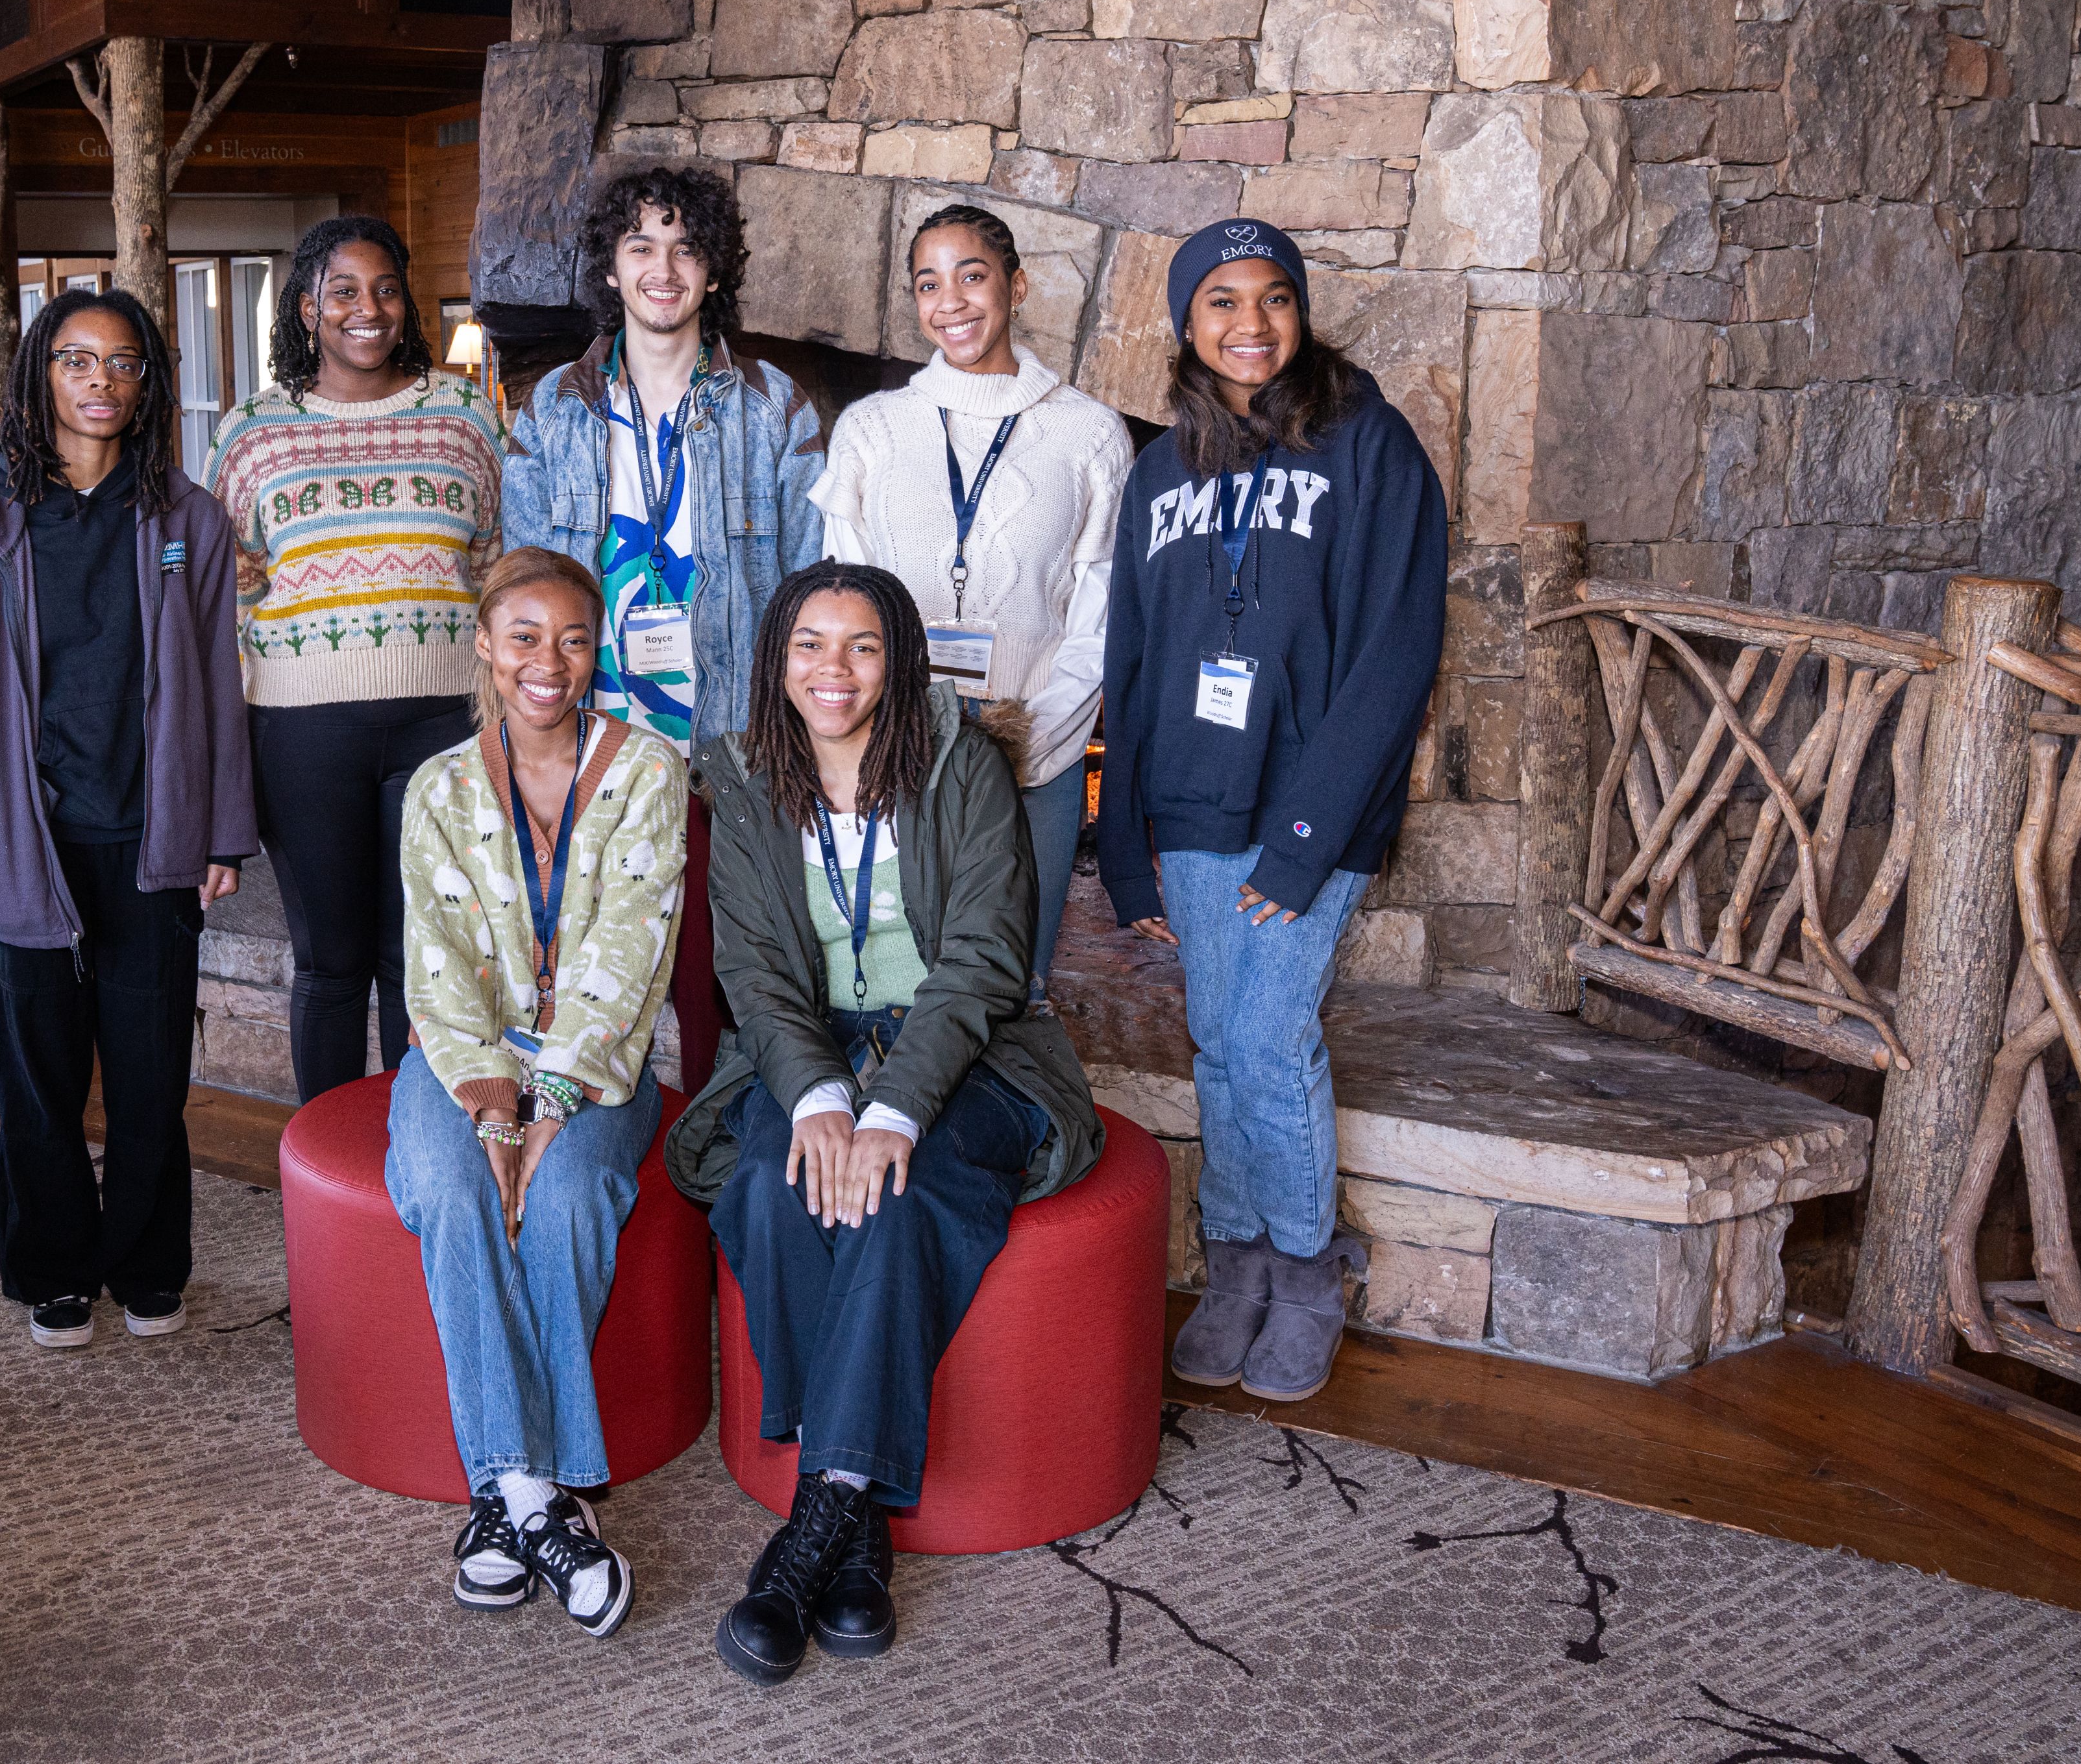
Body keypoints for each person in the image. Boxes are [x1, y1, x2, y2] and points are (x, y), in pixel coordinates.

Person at [665, 561, 1101, 1685]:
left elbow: (987, 960)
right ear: (778, 662)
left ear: (899, 660)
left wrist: (897, 1108)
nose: (835, 670)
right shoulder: (745, 778)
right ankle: (857, 1539)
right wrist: (819, 1100)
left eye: (862, 646)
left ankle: (817, 1516)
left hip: (969, 1048)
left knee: (899, 1196)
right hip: (808, 1045)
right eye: (809, 644)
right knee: (768, 1184)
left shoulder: (962, 766)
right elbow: (755, 973)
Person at [1096, 218, 1447, 1404]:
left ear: (1299, 310)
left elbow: (1396, 653)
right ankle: (1236, 1259)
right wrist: (1125, 850)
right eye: (1222, 302)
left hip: (1310, 805)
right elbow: (1132, 657)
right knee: (1216, 1038)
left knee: (1267, 1038)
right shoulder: (1160, 470)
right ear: (1187, 324)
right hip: (1192, 803)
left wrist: (1305, 842)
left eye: (1273, 298)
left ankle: (1306, 1270)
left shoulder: (1369, 445)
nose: (1251, 323)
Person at [0, 287, 255, 1349]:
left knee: (151, 1077)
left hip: (151, 838)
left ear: (148, 382)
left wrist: (222, 829)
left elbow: (217, 680)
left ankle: (148, 1263)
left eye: (123, 362)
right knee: (37, 1079)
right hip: (25, 846)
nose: (102, 381)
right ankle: (54, 1268)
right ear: (41, 376)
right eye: (77, 360)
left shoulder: (188, 519)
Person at [387, 545, 687, 1637]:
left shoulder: (649, 769)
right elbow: (435, 967)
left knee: (566, 1195)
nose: (548, 662)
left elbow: (629, 952)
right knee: (448, 1186)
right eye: (524, 637)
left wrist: (551, 1106)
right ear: (484, 644)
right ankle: (532, 1496)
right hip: (461, 1054)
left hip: (600, 1058)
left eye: (572, 639)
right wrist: (491, 1110)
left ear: (596, 651)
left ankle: (505, 1502)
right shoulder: (437, 787)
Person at [502, 165, 826, 1092]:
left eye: (686, 250)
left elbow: (812, 591)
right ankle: (617, 1162)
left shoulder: (775, 406)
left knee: (726, 983)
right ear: (611, 268)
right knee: (600, 978)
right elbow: (524, 594)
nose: (663, 269)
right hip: (594, 748)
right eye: (640, 246)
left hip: (736, 748)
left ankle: (717, 1157)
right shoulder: (555, 410)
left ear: (713, 271)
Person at [203, 214, 504, 1101]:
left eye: (385, 289)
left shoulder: (464, 415)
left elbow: (498, 564)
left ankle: (419, 1155)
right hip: (302, 734)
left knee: (425, 962)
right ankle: (327, 1158)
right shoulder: (252, 432)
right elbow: (226, 587)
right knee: (331, 964)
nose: (366, 309)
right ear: (307, 308)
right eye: (342, 291)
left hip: (446, 725)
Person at [811, 204, 1131, 999]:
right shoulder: (871, 428)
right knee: (899, 981)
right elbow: (844, 607)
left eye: (972, 276)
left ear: (1015, 287)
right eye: (928, 284)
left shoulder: (1090, 433)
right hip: (897, 746)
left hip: (1038, 751)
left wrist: (1032, 737)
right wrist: (895, 729)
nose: (949, 301)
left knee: (1014, 987)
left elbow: (1102, 614)